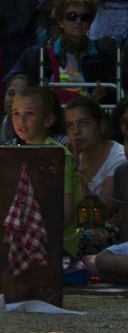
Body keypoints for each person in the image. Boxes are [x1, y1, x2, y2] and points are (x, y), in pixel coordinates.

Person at [6, 0, 119, 106]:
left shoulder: (102, 54)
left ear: (90, 23)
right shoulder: (42, 54)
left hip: (89, 118)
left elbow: (114, 93)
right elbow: (23, 87)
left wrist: (103, 94)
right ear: (60, 22)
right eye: (71, 16)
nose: (78, 21)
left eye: (84, 17)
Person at [10, 87, 81, 257]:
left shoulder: (58, 155)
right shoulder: (15, 153)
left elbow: (66, 214)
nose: (21, 120)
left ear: (48, 120)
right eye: (15, 113)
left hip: (58, 243)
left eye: (30, 113)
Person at [63, 97, 124, 253]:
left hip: (112, 235)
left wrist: (75, 173)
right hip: (80, 227)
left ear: (101, 125)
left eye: (83, 123)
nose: (76, 132)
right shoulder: (72, 156)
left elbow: (95, 218)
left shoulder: (119, 158)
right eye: (70, 126)